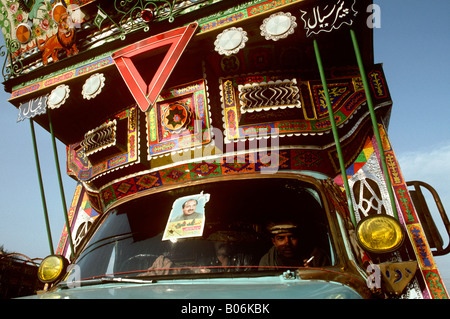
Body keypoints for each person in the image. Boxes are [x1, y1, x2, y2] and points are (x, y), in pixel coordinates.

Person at [259, 221, 328, 269]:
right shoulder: (268, 261)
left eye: (292, 237)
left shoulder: (317, 256)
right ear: (274, 241)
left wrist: (315, 274)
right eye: (281, 238)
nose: (287, 243)